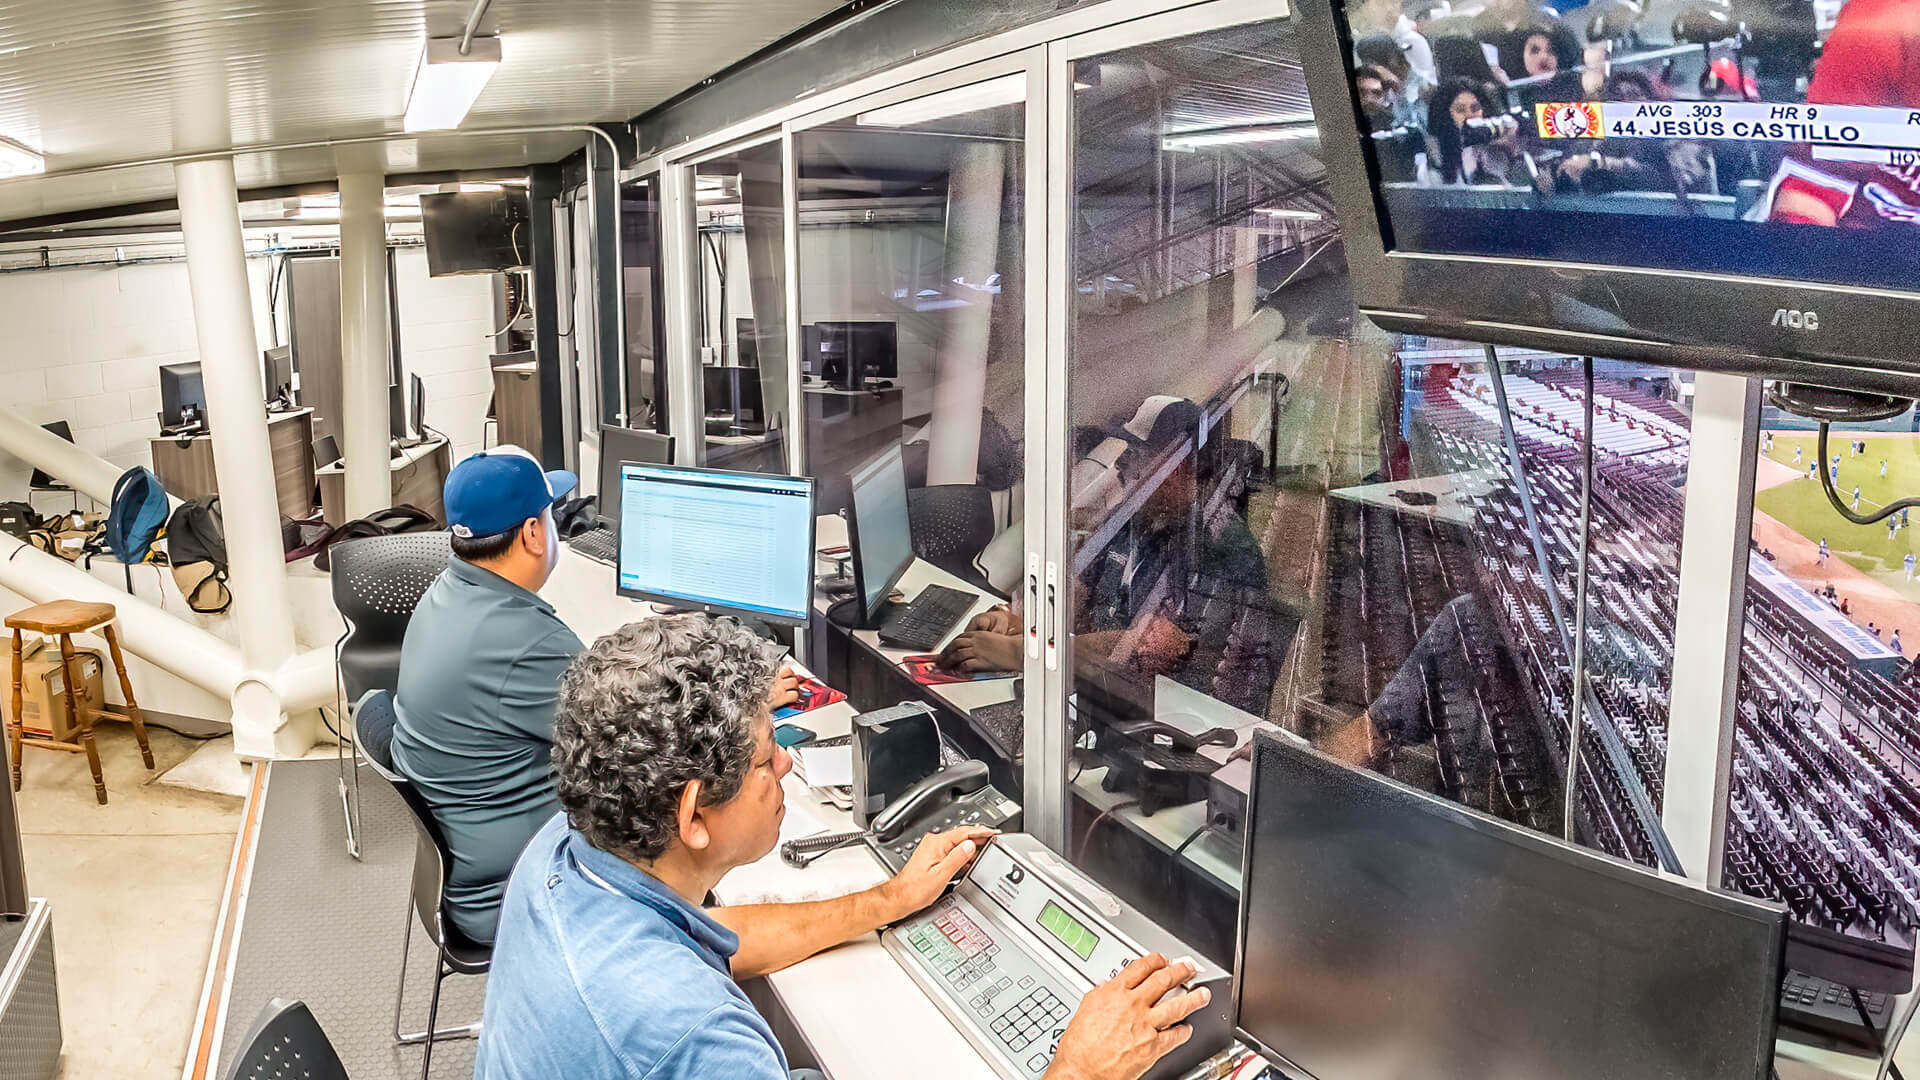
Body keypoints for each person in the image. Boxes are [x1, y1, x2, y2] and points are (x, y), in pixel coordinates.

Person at [475, 615, 1211, 1080]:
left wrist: (890, 899)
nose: (785, 763)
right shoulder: (698, 1040)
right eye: (766, 757)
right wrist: (1078, 1070)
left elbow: (717, 938)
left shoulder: (568, 847)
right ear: (693, 815)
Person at [1425, 77, 1533, 186]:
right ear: (1446, 115)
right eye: (1460, 110)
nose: (1470, 115)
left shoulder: (1494, 137)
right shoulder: (1438, 155)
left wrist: (1510, 137)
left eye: (1475, 108)